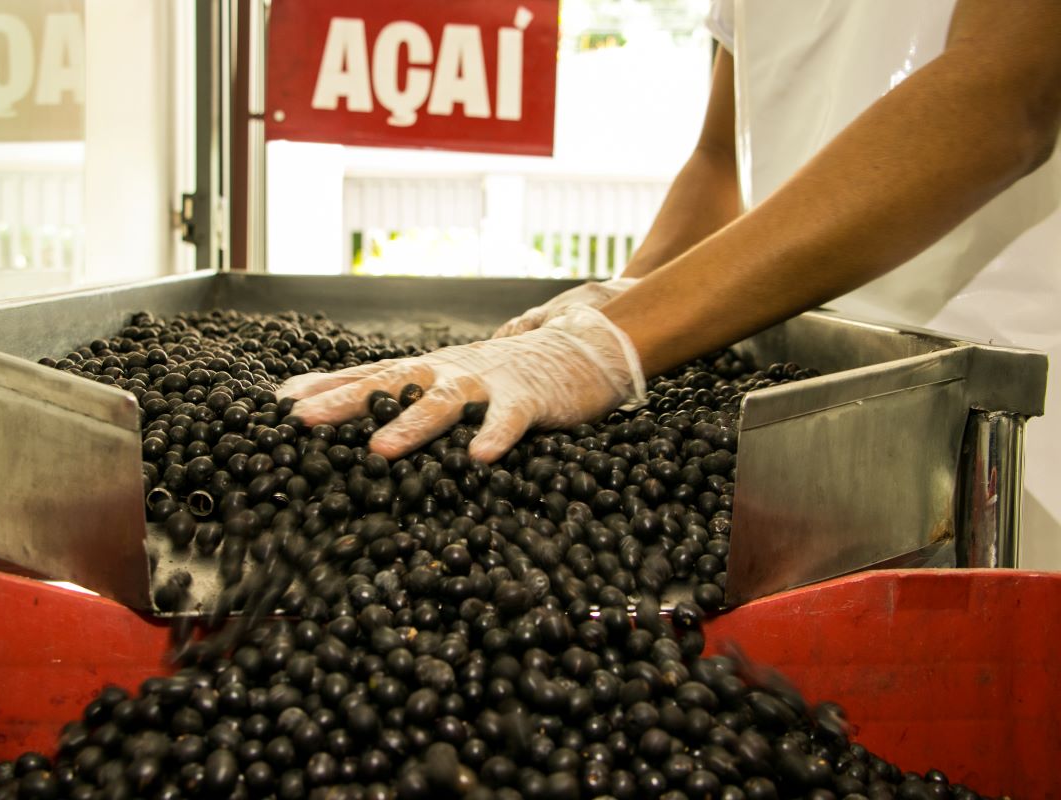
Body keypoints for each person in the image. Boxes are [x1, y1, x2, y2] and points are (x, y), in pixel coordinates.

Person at [280, 0, 1061, 568]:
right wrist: (617, 296)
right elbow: (722, 166)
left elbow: (1008, 93)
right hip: (800, 382)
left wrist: (611, 345)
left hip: (999, 407)